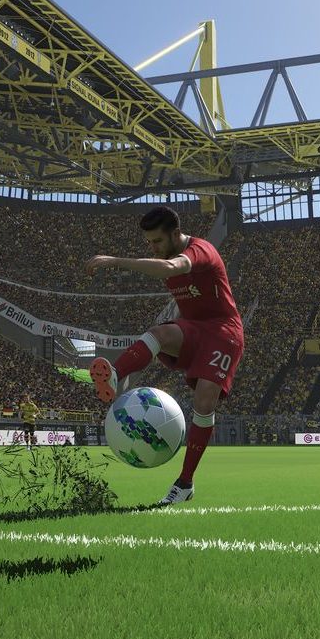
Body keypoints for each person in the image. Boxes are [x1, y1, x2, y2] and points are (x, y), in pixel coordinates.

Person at [86, 206, 244, 505]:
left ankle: (185, 483)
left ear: (176, 234)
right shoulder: (165, 252)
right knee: (159, 333)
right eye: (149, 242)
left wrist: (116, 261)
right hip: (194, 330)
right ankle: (116, 375)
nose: (153, 248)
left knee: (204, 402)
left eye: (157, 241)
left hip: (224, 333)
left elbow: (172, 268)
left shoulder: (201, 251)